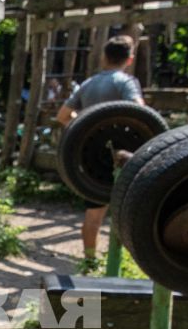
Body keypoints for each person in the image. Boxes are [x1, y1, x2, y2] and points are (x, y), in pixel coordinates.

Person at [55, 35, 146, 263]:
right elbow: (140, 111)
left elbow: (63, 116)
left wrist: (87, 125)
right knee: (129, 212)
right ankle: (125, 264)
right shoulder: (126, 82)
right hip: (123, 156)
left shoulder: (89, 84)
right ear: (129, 59)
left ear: (104, 56)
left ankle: (89, 260)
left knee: (93, 214)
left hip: (92, 156)